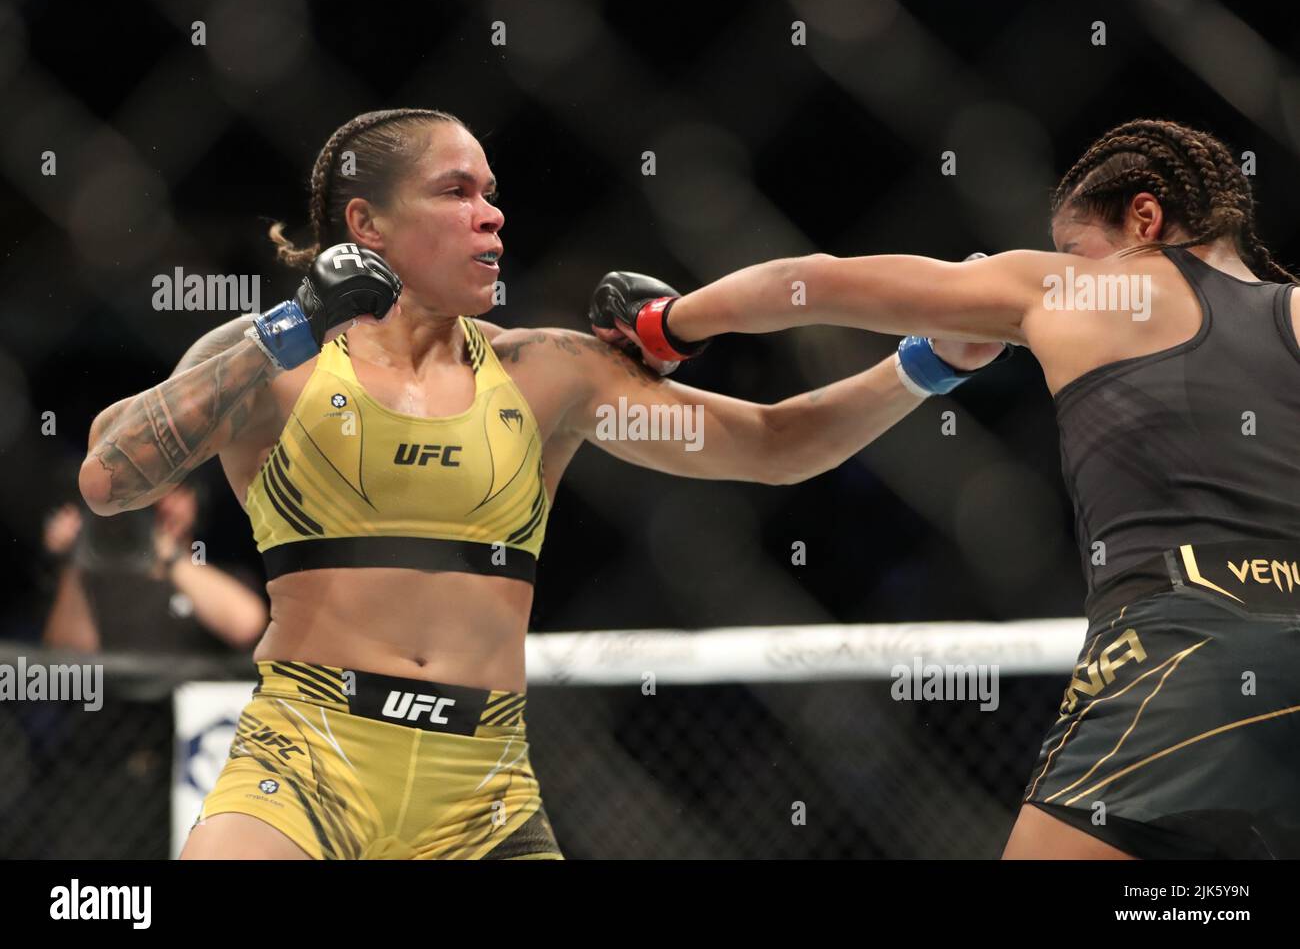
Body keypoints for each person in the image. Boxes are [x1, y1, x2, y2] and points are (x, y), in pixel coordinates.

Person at [78, 108, 1002, 860]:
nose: (492, 215)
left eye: (491, 193)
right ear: (367, 225)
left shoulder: (548, 374)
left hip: (483, 786)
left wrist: (927, 364)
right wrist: (283, 329)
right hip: (305, 755)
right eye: (456, 192)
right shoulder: (272, 363)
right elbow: (110, 476)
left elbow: (773, 446)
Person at [593, 118, 1300, 859]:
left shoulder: (1071, 287)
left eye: (1074, 245)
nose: (1069, 264)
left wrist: (667, 323)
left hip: (1186, 644)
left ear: (1144, 217)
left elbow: (809, 281)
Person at [43, 484, 267, 654]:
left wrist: (168, 555)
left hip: (198, 710)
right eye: (151, 497)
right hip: (120, 709)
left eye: (175, 491)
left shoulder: (228, 577)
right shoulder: (102, 584)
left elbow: (248, 627)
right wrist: (75, 559)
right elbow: (66, 654)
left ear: (195, 501)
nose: (164, 504)